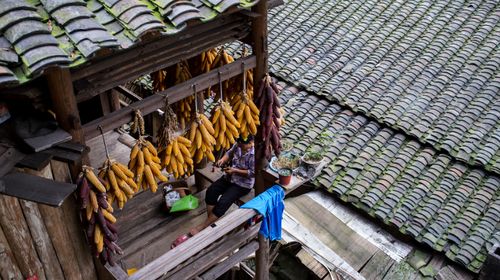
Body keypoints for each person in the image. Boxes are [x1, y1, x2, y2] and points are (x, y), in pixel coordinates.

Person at [189, 135, 255, 235]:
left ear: (250, 143)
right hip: (230, 177)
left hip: (242, 185)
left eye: (242, 144)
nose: (239, 145)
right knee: (211, 191)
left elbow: (252, 173)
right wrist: (222, 160)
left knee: (224, 201)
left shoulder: (254, 155)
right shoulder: (238, 145)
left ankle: (203, 226)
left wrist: (235, 171)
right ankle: (211, 221)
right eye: (239, 143)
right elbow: (229, 153)